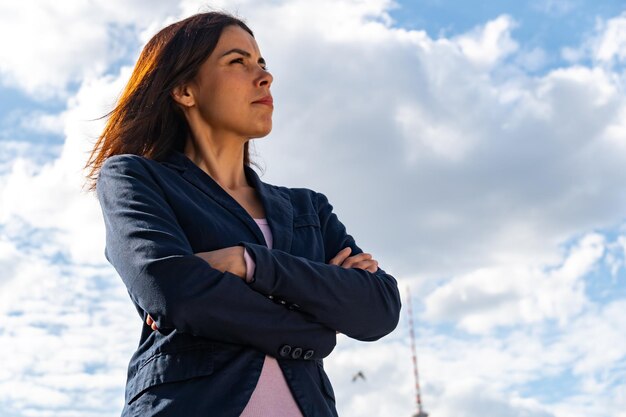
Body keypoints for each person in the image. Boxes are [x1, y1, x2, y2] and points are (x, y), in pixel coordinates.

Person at [86, 11, 401, 417]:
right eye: (238, 61)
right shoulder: (135, 176)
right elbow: (170, 288)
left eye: (262, 63)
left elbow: (377, 308)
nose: (264, 77)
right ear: (184, 90)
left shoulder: (308, 208)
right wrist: (315, 327)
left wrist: (249, 263)